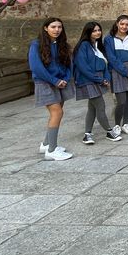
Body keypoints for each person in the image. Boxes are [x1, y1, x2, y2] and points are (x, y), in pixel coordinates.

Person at [30, 17, 75, 160]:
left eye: (59, 27)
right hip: (45, 83)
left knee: (57, 113)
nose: (57, 30)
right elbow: (37, 68)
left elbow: (69, 64)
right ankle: (52, 150)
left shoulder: (62, 44)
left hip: (61, 83)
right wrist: (54, 80)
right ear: (45, 28)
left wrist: (66, 79)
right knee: (57, 113)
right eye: (53, 27)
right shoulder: (36, 45)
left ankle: (46, 143)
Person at [73, 22, 121, 144]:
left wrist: (106, 77)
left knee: (92, 108)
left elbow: (105, 64)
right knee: (100, 106)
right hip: (88, 80)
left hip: (98, 79)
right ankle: (109, 132)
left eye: (99, 30)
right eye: (94, 31)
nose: (97, 32)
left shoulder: (97, 45)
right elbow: (83, 66)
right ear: (88, 32)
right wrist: (99, 79)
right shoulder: (83, 46)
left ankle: (87, 134)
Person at [105, 15, 128, 135]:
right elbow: (112, 59)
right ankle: (117, 124)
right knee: (121, 101)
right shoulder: (109, 39)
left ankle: (125, 124)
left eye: (127, 25)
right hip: (118, 71)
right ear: (117, 24)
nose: (124, 27)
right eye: (122, 24)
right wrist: (127, 73)